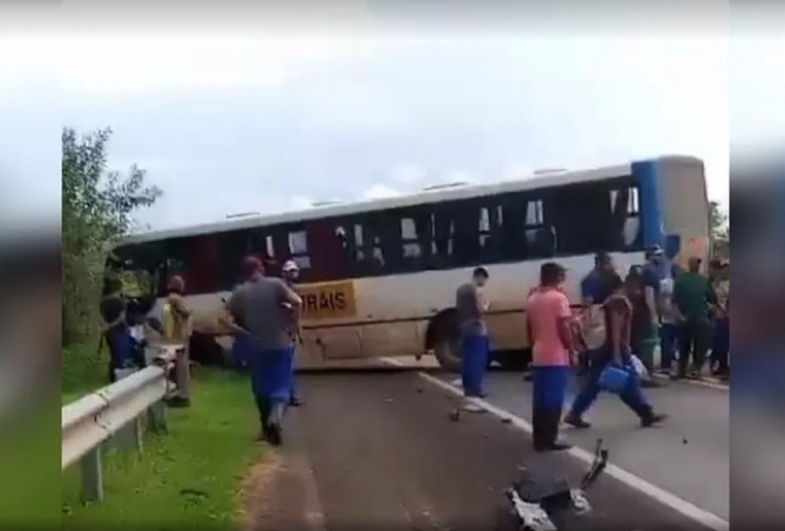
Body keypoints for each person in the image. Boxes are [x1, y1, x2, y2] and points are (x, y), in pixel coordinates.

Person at [564, 272, 667, 429]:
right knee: (624, 380)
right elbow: (616, 328)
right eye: (638, 288)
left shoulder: (611, 299)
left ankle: (575, 413)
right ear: (632, 284)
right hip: (613, 348)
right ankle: (646, 414)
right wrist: (617, 354)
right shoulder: (619, 302)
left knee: (601, 384)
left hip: (605, 348)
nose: (639, 292)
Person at [226, 256, 302, 446]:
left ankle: (266, 430)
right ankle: (275, 418)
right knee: (282, 385)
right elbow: (298, 302)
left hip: (257, 348)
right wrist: (293, 325)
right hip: (281, 344)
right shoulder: (276, 284)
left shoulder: (239, 293)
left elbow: (223, 319)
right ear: (260, 268)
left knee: (261, 389)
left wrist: (242, 332)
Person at [526, 262, 575, 451]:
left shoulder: (532, 299)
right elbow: (564, 328)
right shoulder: (559, 298)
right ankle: (550, 439)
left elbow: (529, 328)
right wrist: (571, 349)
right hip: (555, 355)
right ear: (557, 278)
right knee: (554, 400)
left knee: (540, 399)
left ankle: (539, 439)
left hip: (538, 354)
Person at [672, 256, 716, 379]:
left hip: (700, 316)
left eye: (697, 263)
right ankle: (682, 369)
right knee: (683, 345)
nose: (695, 265)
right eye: (693, 263)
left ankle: (695, 368)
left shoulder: (703, 280)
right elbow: (674, 301)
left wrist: (709, 310)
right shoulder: (681, 280)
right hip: (685, 317)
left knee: (700, 345)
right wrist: (679, 315)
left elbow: (711, 298)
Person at [456, 266, 490, 398]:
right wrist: (486, 306)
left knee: (467, 359)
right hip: (477, 327)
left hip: (464, 325)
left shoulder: (461, 290)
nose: (484, 283)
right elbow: (480, 309)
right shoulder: (476, 291)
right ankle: (476, 388)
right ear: (479, 276)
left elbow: (458, 308)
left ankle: (468, 387)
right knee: (477, 359)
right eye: (484, 279)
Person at [282, 259, 303, 407]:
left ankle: (290, 395)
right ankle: (290, 396)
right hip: (285, 331)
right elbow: (290, 312)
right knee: (287, 366)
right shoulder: (282, 289)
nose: (294, 274)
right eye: (291, 272)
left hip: (289, 331)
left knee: (288, 365)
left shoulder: (292, 288)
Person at [658, 263, 683, 375]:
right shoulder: (669, 284)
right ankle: (668, 364)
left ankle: (667, 364)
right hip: (672, 317)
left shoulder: (665, 283)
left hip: (670, 316)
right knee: (669, 342)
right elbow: (659, 298)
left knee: (668, 342)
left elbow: (658, 298)